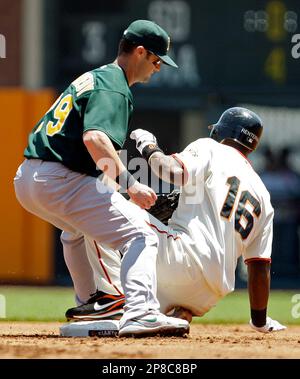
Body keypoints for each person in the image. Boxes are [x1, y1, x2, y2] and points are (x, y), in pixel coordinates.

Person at [13, 19, 190, 338]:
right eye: (156, 60)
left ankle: (96, 302)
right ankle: (141, 312)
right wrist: (132, 186)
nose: (159, 68)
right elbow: (95, 139)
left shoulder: (94, 77)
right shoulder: (114, 85)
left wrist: (118, 193)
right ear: (139, 52)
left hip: (29, 178)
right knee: (142, 235)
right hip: (60, 178)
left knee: (76, 231)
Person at [67, 107, 286, 333]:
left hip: (181, 260)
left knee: (99, 212)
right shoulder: (263, 195)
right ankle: (172, 314)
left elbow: (169, 170)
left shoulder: (211, 148)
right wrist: (260, 321)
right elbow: (259, 267)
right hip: (208, 295)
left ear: (223, 132)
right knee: (142, 261)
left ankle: (113, 304)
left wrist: (149, 147)